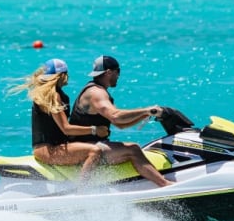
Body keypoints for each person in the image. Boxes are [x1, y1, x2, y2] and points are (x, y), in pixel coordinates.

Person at [69, 54, 171, 188]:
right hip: (85, 147)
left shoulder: (98, 91)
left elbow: (119, 124)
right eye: (118, 71)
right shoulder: (96, 93)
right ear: (109, 72)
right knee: (133, 149)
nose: (119, 76)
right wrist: (145, 110)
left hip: (91, 143)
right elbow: (116, 116)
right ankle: (165, 185)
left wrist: (144, 115)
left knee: (132, 148)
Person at [9, 58, 109, 177]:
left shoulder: (56, 95)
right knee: (94, 151)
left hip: (54, 147)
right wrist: (95, 130)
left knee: (92, 146)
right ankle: (82, 190)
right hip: (48, 150)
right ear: (62, 75)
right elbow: (66, 128)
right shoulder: (53, 96)